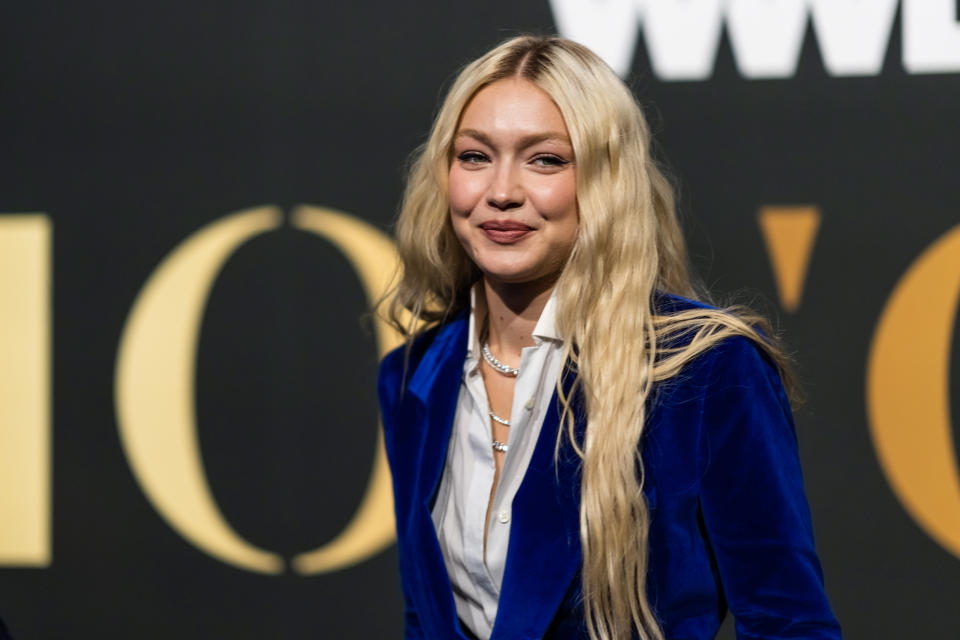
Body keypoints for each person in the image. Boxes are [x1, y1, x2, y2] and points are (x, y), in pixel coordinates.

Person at [377, 35, 841, 640]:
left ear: (604, 180)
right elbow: (426, 618)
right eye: (474, 156)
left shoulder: (705, 369)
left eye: (544, 159)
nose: (501, 191)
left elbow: (788, 622)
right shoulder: (414, 375)